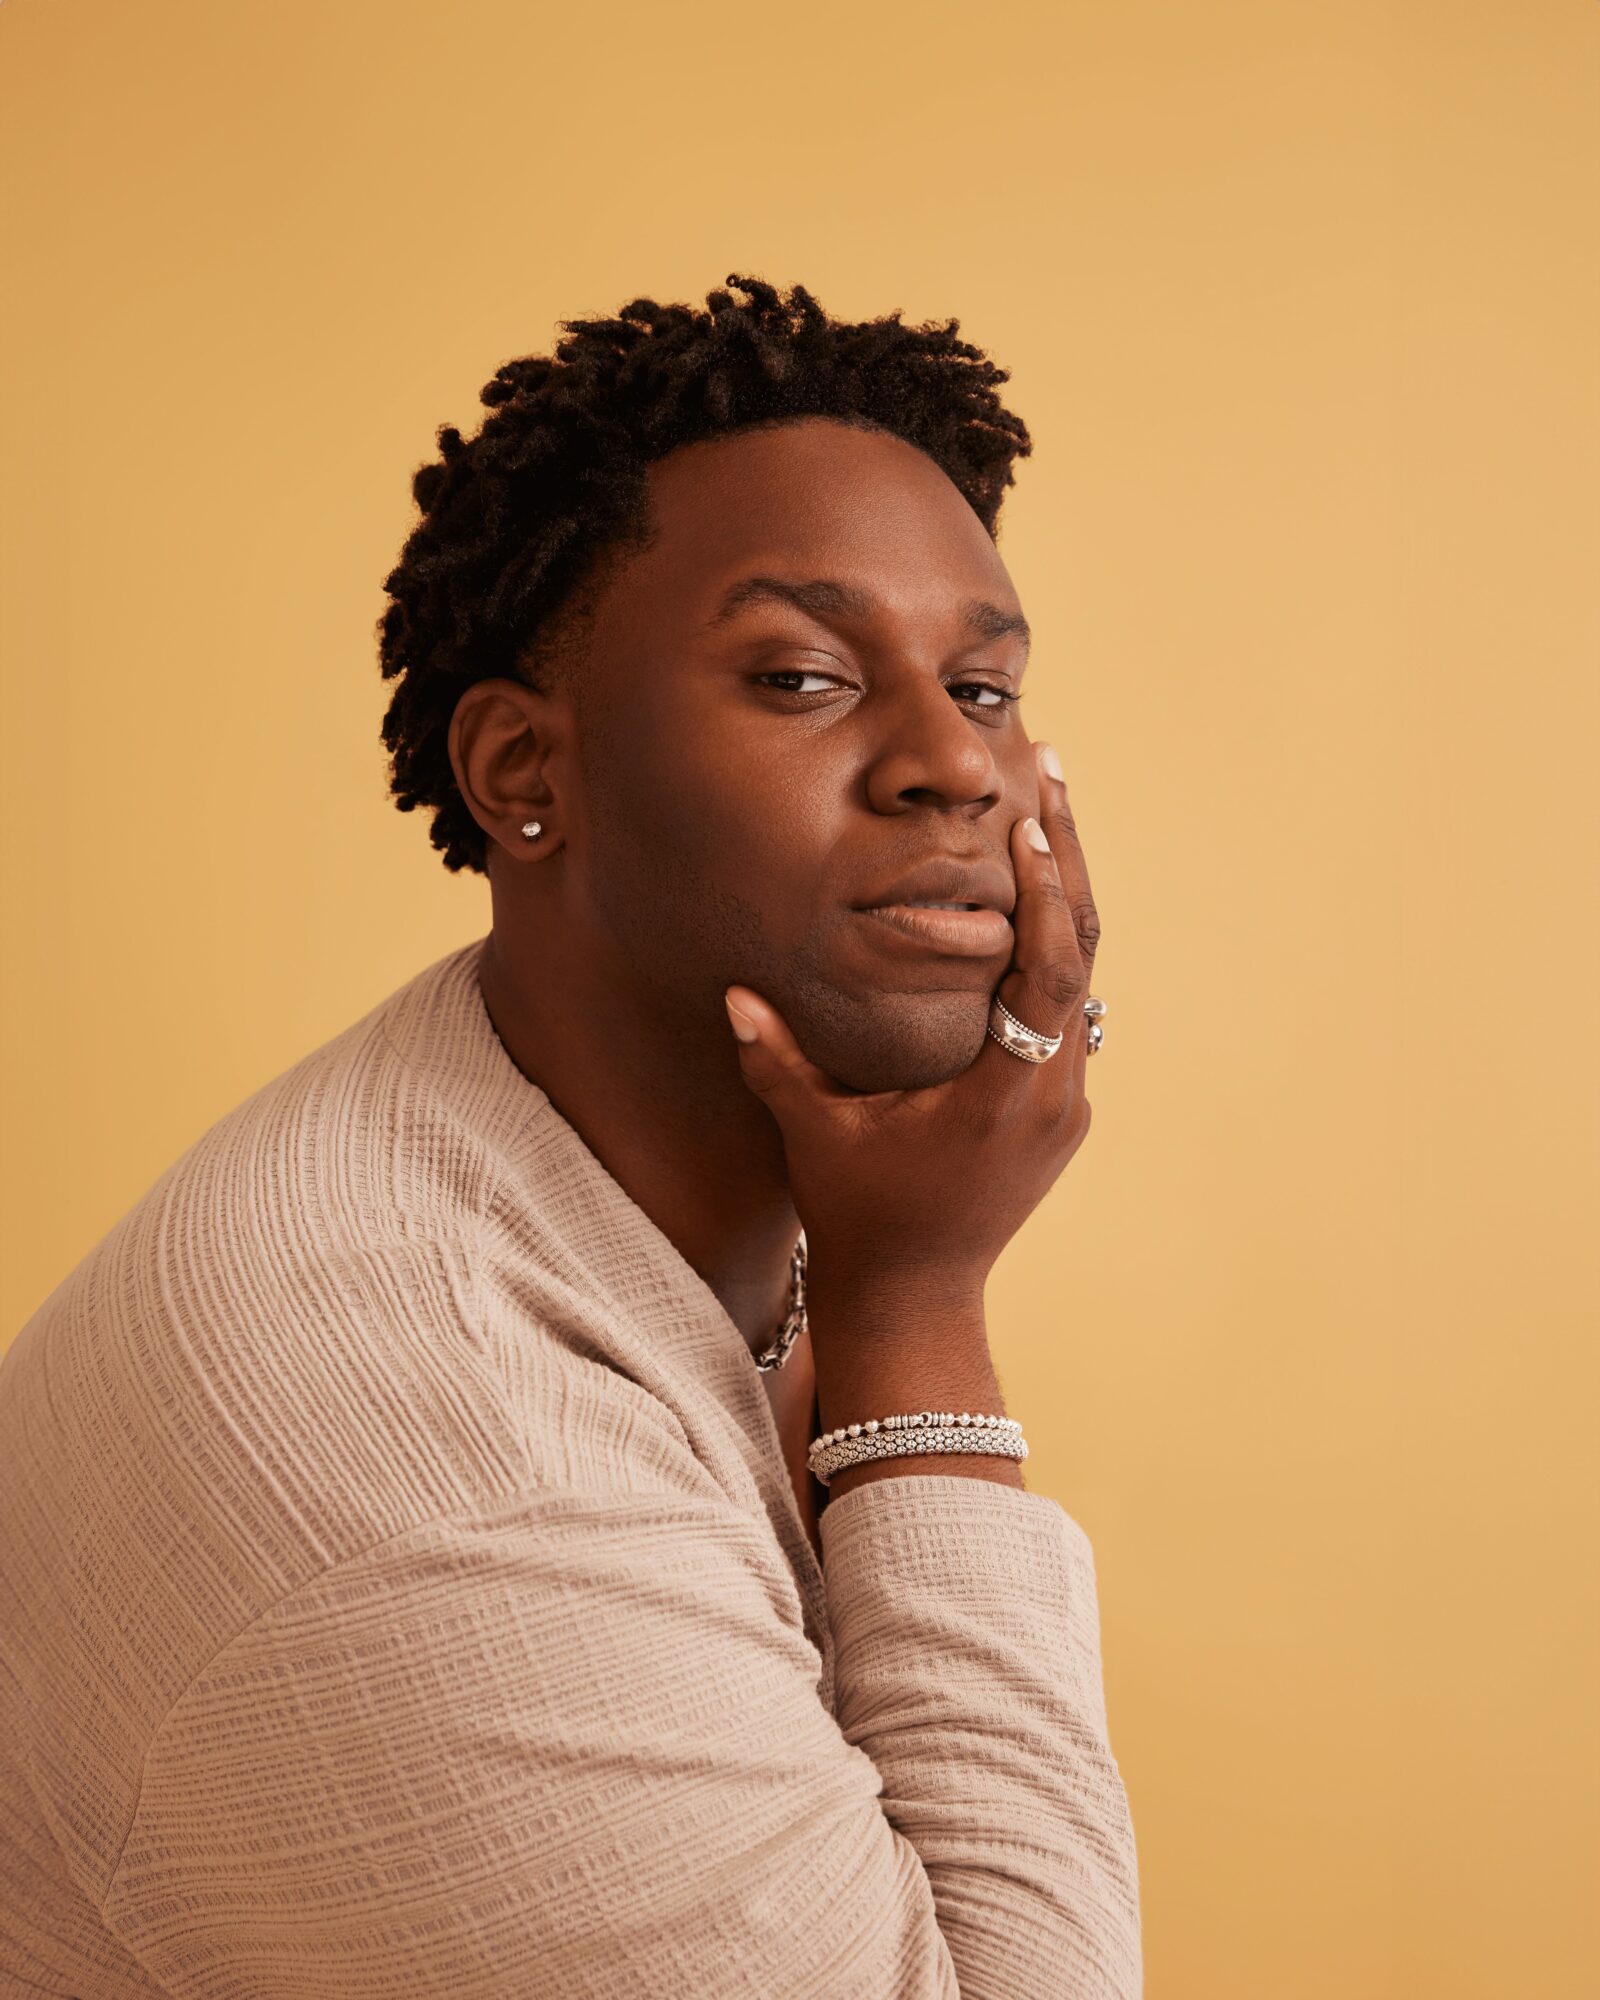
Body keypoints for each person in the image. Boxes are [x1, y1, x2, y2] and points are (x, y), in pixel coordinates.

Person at [0, 274, 1141, 1996]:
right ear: (525, 770)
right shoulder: (445, 1458)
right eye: (805, 676)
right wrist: (919, 1312)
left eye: (984, 689)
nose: (953, 769)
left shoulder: (580, 1149)